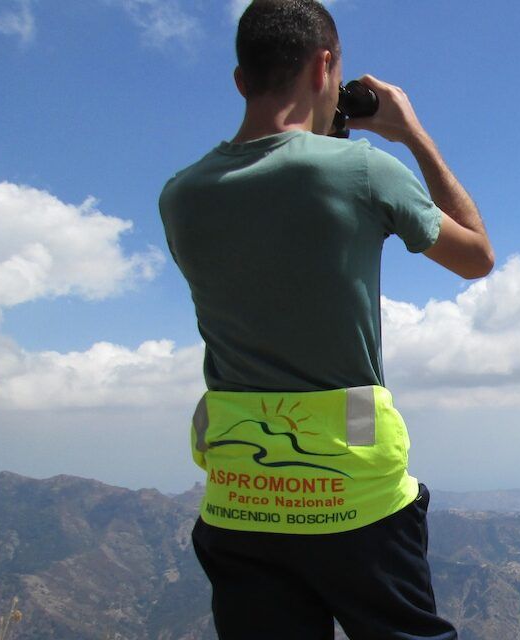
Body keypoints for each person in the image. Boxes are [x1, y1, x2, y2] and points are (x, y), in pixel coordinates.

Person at [158, 1, 492, 638]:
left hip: (238, 498)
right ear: (325, 65)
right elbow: (476, 258)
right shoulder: (366, 172)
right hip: (353, 499)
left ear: (239, 79)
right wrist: (412, 134)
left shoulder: (181, 195)